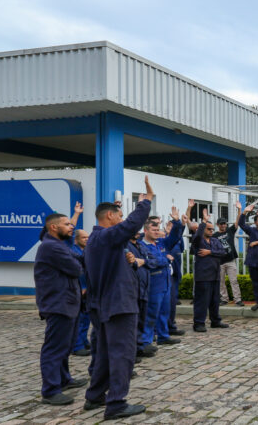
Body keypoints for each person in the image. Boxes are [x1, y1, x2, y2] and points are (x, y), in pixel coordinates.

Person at [83, 177, 153, 420]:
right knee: (123, 353)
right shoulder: (105, 237)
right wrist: (145, 202)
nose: (122, 220)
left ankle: (94, 396)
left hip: (104, 305)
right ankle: (116, 403)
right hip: (118, 305)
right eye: (119, 216)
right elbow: (130, 225)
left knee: (103, 352)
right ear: (110, 217)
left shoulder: (96, 239)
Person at [34, 213, 88, 405]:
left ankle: (64, 379)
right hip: (58, 304)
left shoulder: (59, 245)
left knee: (66, 345)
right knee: (54, 347)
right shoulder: (51, 247)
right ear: (54, 228)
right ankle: (50, 390)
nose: (71, 226)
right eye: (66, 224)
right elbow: (76, 268)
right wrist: (79, 262)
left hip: (68, 302)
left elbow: (79, 259)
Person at [138, 207, 184, 351]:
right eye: (153, 230)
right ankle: (146, 341)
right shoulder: (141, 246)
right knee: (151, 313)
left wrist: (177, 222)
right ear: (145, 231)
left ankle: (163, 336)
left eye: (158, 230)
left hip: (165, 282)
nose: (157, 232)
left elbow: (175, 237)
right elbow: (152, 262)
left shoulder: (161, 243)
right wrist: (167, 259)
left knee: (165, 311)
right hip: (153, 283)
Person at [190, 208, 230, 331]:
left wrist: (210, 252)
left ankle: (215, 320)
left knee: (214, 300)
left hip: (215, 275)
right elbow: (196, 236)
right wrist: (203, 222)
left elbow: (223, 252)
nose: (212, 231)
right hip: (203, 276)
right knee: (201, 301)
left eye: (213, 229)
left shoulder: (215, 241)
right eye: (209, 229)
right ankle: (199, 323)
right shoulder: (199, 241)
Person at [126, 230, 156, 358]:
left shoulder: (141, 245)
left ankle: (139, 347)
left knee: (141, 321)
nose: (137, 232)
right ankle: (132, 350)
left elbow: (154, 261)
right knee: (132, 322)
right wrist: (142, 262)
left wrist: (144, 262)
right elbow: (132, 264)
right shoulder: (125, 246)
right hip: (132, 289)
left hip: (144, 289)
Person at [214, 202, 243, 307]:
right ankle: (224, 299)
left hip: (230, 260)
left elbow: (237, 222)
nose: (223, 225)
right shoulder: (215, 235)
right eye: (221, 224)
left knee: (233, 281)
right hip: (220, 262)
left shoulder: (230, 231)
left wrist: (239, 210)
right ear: (218, 225)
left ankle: (237, 299)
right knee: (221, 282)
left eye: (224, 223)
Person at [70, 227, 92, 357]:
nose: (87, 239)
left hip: (88, 288)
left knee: (86, 317)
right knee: (79, 319)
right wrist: (82, 287)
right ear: (76, 240)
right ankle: (77, 345)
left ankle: (84, 340)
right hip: (79, 289)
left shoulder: (87, 251)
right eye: (84, 237)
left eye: (88, 237)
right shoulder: (74, 251)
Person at [164, 218, 185, 336]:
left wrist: (179, 222)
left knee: (172, 300)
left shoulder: (177, 238)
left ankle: (170, 325)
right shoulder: (162, 240)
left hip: (174, 270)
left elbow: (179, 241)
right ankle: (159, 330)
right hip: (162, 275)